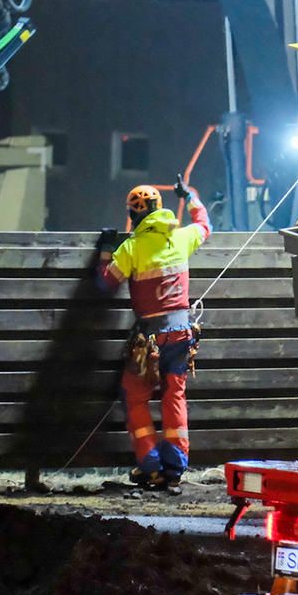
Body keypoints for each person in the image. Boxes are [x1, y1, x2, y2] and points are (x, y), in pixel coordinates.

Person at [96, 178, 210, 489]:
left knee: (134, 396)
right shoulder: (181, 237)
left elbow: (105, 284)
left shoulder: (131, 248)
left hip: (148, 343)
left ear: (133, 217)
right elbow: (204, 223)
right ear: (160, 209)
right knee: (174, 394)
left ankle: (150, 464)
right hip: (181, 334)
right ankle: (175, 466)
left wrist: (106, 250)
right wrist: (191, 194)